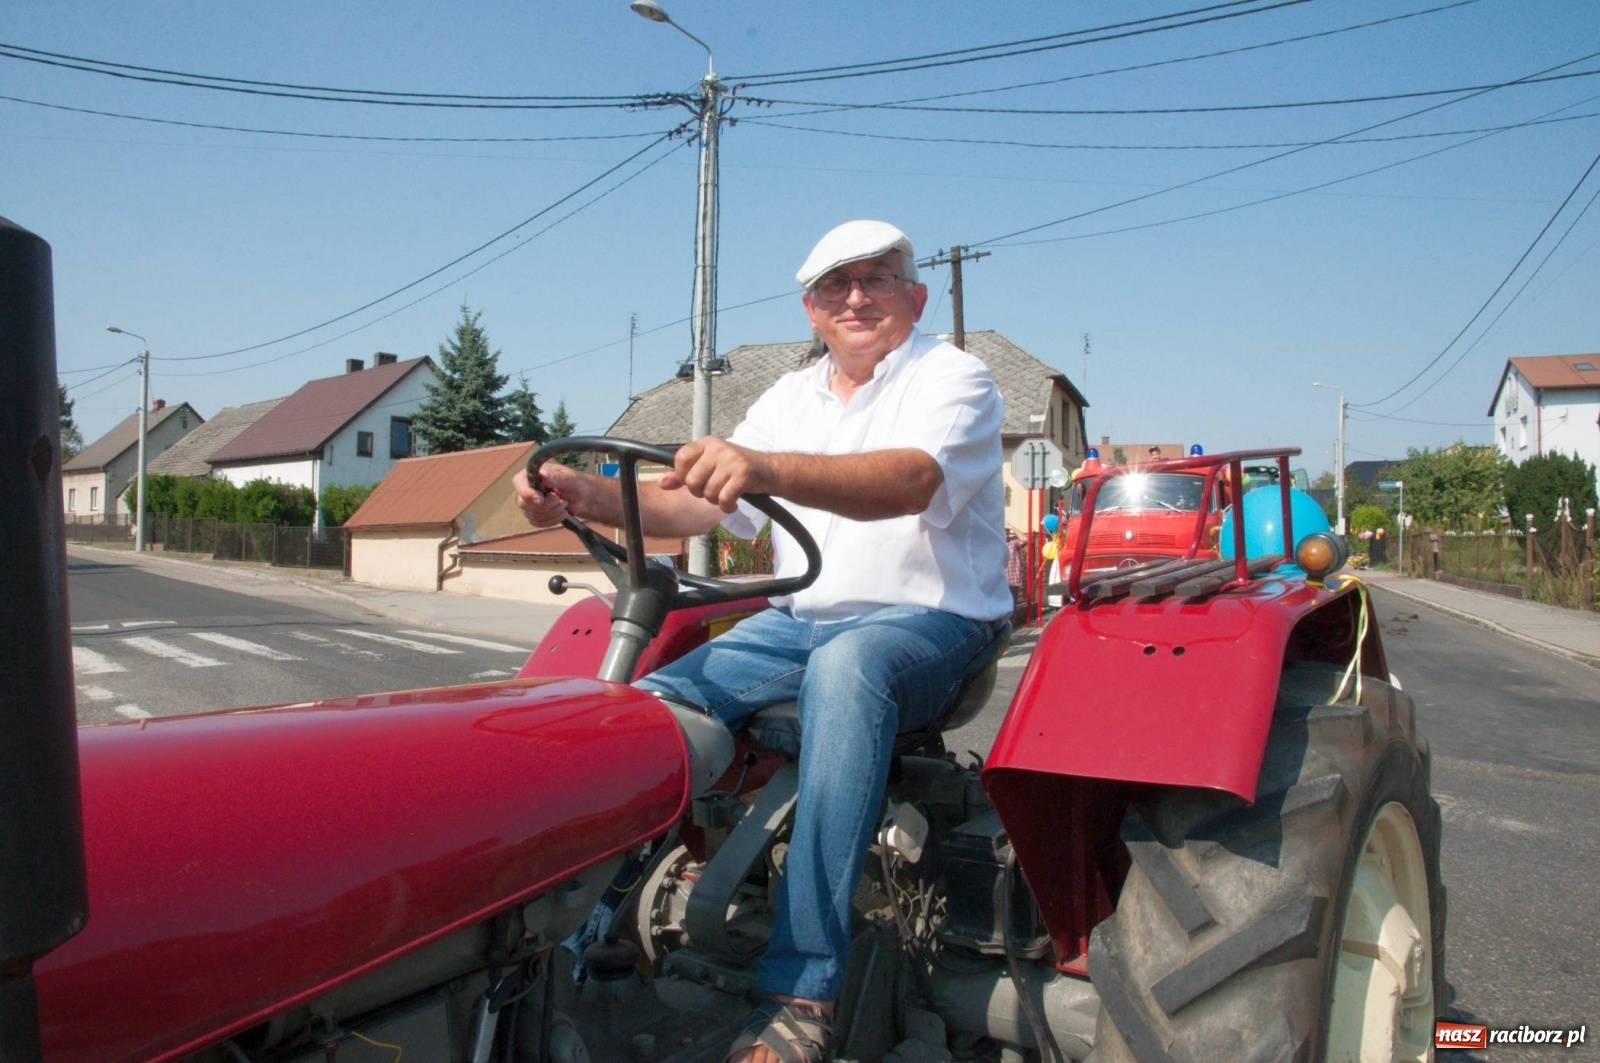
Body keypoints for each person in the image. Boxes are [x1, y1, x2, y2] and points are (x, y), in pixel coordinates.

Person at [512, 220, 1009, 1063]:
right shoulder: (788, 399)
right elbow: (693, 504)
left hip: (930, 621)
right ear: (811, 310)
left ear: (913, 295)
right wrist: (579, 496)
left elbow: (911, 478)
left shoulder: (954, 376)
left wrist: (767, 467)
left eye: (876, 279)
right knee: (646, 704)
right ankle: (575, 929)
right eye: (834, 286)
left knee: (850, 669)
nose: (856, 297)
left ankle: (800, 991)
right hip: (799, 619)